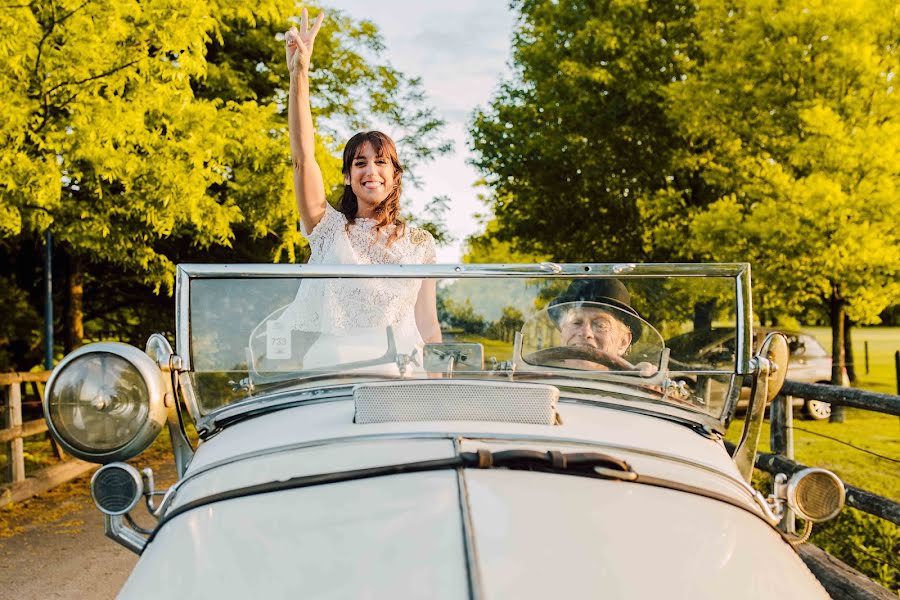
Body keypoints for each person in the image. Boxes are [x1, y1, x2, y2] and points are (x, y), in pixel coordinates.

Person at [278, 9, 441, 369]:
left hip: (401, 372)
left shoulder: (420, 243)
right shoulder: (328, 229)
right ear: (349, 177)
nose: (371, 170)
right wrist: (299, 74)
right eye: (360, 162)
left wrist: (438, 382)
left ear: (395, 175)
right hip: (332, 368)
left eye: (381, 162)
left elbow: (428, 325)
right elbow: (303, 158)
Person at [544, 279, 655, 375]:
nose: (585, 333)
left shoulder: (636, 394)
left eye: (600, 325)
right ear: (562, 332)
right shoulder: (535, 380)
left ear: (623, 342)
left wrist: (646, 385)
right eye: (576, 322)